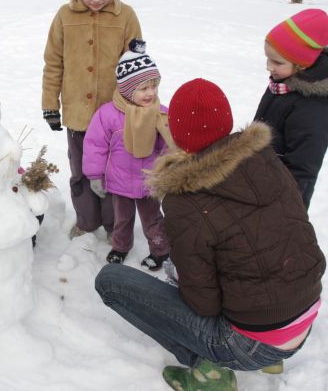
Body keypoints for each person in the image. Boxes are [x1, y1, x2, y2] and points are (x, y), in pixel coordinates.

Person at [95, 79, 325, 391]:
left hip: (249, 341)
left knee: (111, 281)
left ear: (177, 133)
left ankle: (209, 374)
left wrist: (179, 274)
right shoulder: (267, 160)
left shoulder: (186, 200)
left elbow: (203, 303)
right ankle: (270, 356)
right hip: (304, 314)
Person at [41, 0, 141, 239]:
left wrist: (137, 107)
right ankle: (86, 221)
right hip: (77, 116)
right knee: (81, 172)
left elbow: (136, 66)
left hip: (115, 116)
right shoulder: (64, 16)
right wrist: (51, 105)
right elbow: (53, 63)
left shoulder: (126, 16)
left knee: (114, 172)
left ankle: (113, 224)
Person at [83, 39, 172, 269]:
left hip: (148, 181)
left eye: (154, 86)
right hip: (119, 180)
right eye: (143, 88)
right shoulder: (108, 115)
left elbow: (169, 146)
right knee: (122, 220)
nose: (150, 93)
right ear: (126, 89)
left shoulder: (161, 114)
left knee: (153, 220)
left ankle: (160, 250)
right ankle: (120, 247)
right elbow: (95, 145)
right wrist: (95, 175)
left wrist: (165, 172)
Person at [254, 8, 328, 209]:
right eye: (267, 58)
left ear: (302, 64)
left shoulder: (312, 107)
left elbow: (303, 170)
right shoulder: (283, 83)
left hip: (282, 199)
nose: (269, 67)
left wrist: (287, 210)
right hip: (261, 179)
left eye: (277, 62)